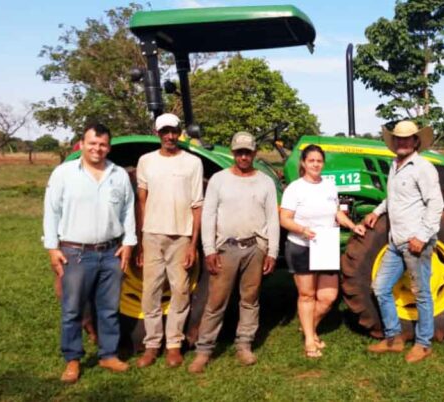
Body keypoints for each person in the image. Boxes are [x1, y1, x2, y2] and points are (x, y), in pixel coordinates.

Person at [43, 123, 136, 383]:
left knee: (108, 308)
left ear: (109, 146)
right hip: (75, 251)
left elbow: (128, 211)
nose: (97, 149)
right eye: (92, 143)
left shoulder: (118, 175)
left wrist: (128, 243)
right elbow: (51, 212)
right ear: (82, 144)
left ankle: (108, 355)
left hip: (110, 252)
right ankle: (72, 360)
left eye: (103, 144)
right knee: (72, 308)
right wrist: (52, 248)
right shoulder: (64, 173)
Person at [188, 132, 279, 373]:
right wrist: (209, 249)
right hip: (226, 247)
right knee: (216, 300)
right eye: (239, 152)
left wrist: (272, 251)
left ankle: (244, 344)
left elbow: (273, 218)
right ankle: (204, 350)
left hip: (255, 247)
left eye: (247, 152)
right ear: (233, 153)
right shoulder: (219, 180)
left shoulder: (265, 182)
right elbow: (208, 216)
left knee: (250, 299)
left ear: (254, 153)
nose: (243, 156)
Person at [363, 120, 444, 363]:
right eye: (398, 138)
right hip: (395, 242)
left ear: (416, 141)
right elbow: (394, 199)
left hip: (415, 242)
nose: (402, 141)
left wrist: (422, 236)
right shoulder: (395, 165)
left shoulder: (423, 168)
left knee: (421, 293)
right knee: (380, 288)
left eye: (407, 138)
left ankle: (423, 343)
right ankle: (393, 338)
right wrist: (377, 212)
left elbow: (436, 204)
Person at [279, 144, 366, 358]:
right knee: (307, 295)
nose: (316, 164)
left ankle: (308, 325)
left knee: (328, 296)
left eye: (319, 161)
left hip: (325, 244)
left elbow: (336, 212)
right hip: (302, 245)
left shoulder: (328, 186)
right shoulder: (295, 188)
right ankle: (310, 338)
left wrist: (353, 225)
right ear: (303, 163)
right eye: (311, 161)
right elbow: (284, 218)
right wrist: (302, 230)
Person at [135, 113, 204, 368]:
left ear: (179, 132)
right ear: (157, 133)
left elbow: (198, 205)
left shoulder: (192, 163)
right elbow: (142, 200)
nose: (170, 136)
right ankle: (152, 344)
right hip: (153, 234)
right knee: (150, 291)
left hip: (181, 236)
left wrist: (193, 244)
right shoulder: (146, 161)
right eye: (165, 131)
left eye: (174, 131)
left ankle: (173, 344)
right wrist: (142, 239)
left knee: (180, 291)